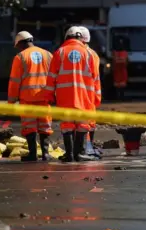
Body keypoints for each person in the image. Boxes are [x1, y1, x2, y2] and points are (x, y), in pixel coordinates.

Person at [43, 26, 99, 162]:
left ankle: (69, 154)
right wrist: (96, 97)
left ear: (67, 37)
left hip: (65, 96)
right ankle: (79, 153)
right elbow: (95, 78)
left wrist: (49, 96)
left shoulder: (60, 52)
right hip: (84, 96)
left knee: (67, 124)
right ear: (80, 38)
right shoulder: (89, 54)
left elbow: (51, 77)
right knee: (82, 124)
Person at [8, 31, 53, 162]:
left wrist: (11, 101)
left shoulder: (20, 57)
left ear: (21, 43)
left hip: (27, 99)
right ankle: (45, 154)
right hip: (45, 98)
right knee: (45, 126)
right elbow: (54, 77)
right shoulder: (48, 55)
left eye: (18, 46)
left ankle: (33, 154)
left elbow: (14, 81)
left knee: (30, 126)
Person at [79, 26, 102, 152]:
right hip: (90, 94)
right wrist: (97, 96)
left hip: (79, 95)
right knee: (89, 123)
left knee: (78, 124)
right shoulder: (93, 54)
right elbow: (96, 77)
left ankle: (83, 149)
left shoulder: (79, 53)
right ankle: (89, 147)